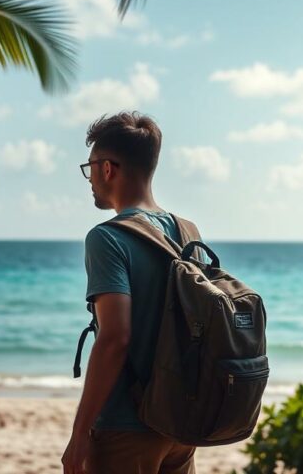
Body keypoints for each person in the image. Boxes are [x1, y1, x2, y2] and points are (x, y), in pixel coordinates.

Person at [62, 111, 198, 474]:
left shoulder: (108, 238)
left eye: (89, 166)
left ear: (107, 168)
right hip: (180, 424)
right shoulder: (188, 232)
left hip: (126, 426)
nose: (89, 178)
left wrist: (79, 433)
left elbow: (115, 338)